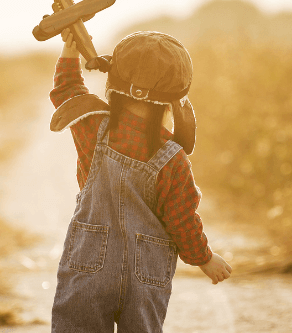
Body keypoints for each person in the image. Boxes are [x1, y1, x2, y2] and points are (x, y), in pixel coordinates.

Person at [49, 29, 231, 332]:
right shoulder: (172, 157)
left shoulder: (93, 128)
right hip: (146, 273)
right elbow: (181, 218)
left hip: (89, 262)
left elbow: (68, 92)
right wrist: (204, 258)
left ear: (113, 83)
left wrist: (70, 53)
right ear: (173, 100)